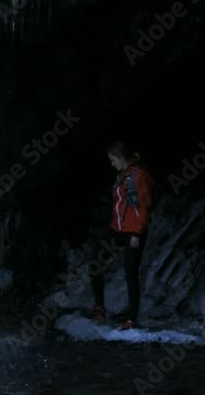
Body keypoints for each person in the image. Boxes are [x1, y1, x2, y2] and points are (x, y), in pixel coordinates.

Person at [88, 141, 154, 330]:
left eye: (113, 160)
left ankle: (132, 320)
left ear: (121, 158)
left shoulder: (140, 176)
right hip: (117, 230)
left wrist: (137, 234)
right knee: (95, 262)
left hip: (133, 232)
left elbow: (144, 206)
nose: (111, 163)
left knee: (130, 274)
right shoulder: (122, 174)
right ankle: (99, 308)